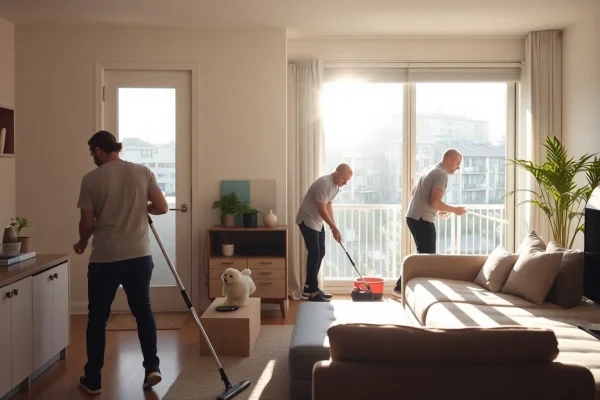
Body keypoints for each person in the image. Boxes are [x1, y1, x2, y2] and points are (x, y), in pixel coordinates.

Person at [74, 130, 169, 395]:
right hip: (139, 256)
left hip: (105, 259)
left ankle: (93, 379)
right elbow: (162, 207)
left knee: (97, 319)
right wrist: (141, 207)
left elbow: (86, 222)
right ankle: (152, 367)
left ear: (97, 151)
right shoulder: (142, 171)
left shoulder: (91, 179)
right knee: (143, 312)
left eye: (92, 153)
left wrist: (82, 243)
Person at [393, 149, 467, 296]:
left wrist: (437, 210)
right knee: (427, 257)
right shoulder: (441, 175)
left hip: (413, 216)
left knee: (424, 255)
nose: (458, 167)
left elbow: (414, 193)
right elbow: (435, 201)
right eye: (457, 164)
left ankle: (402, 287)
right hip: (422, 219)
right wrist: (454, 209)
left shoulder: (430, 169)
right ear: (449, 160)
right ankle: (402, 287)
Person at [296, 163, 353, 302]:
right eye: (344, 179)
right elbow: (321, 208)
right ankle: (313, 292)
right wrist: (333, 227)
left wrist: (334, 226)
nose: (345, 183)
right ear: (336, 173)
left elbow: (328, 206)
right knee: (315, 252)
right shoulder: (324, 183)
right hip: (307, 219)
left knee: (321, 252)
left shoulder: (335, 186)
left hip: (317, 221)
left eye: (347, 181)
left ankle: (309, 286)